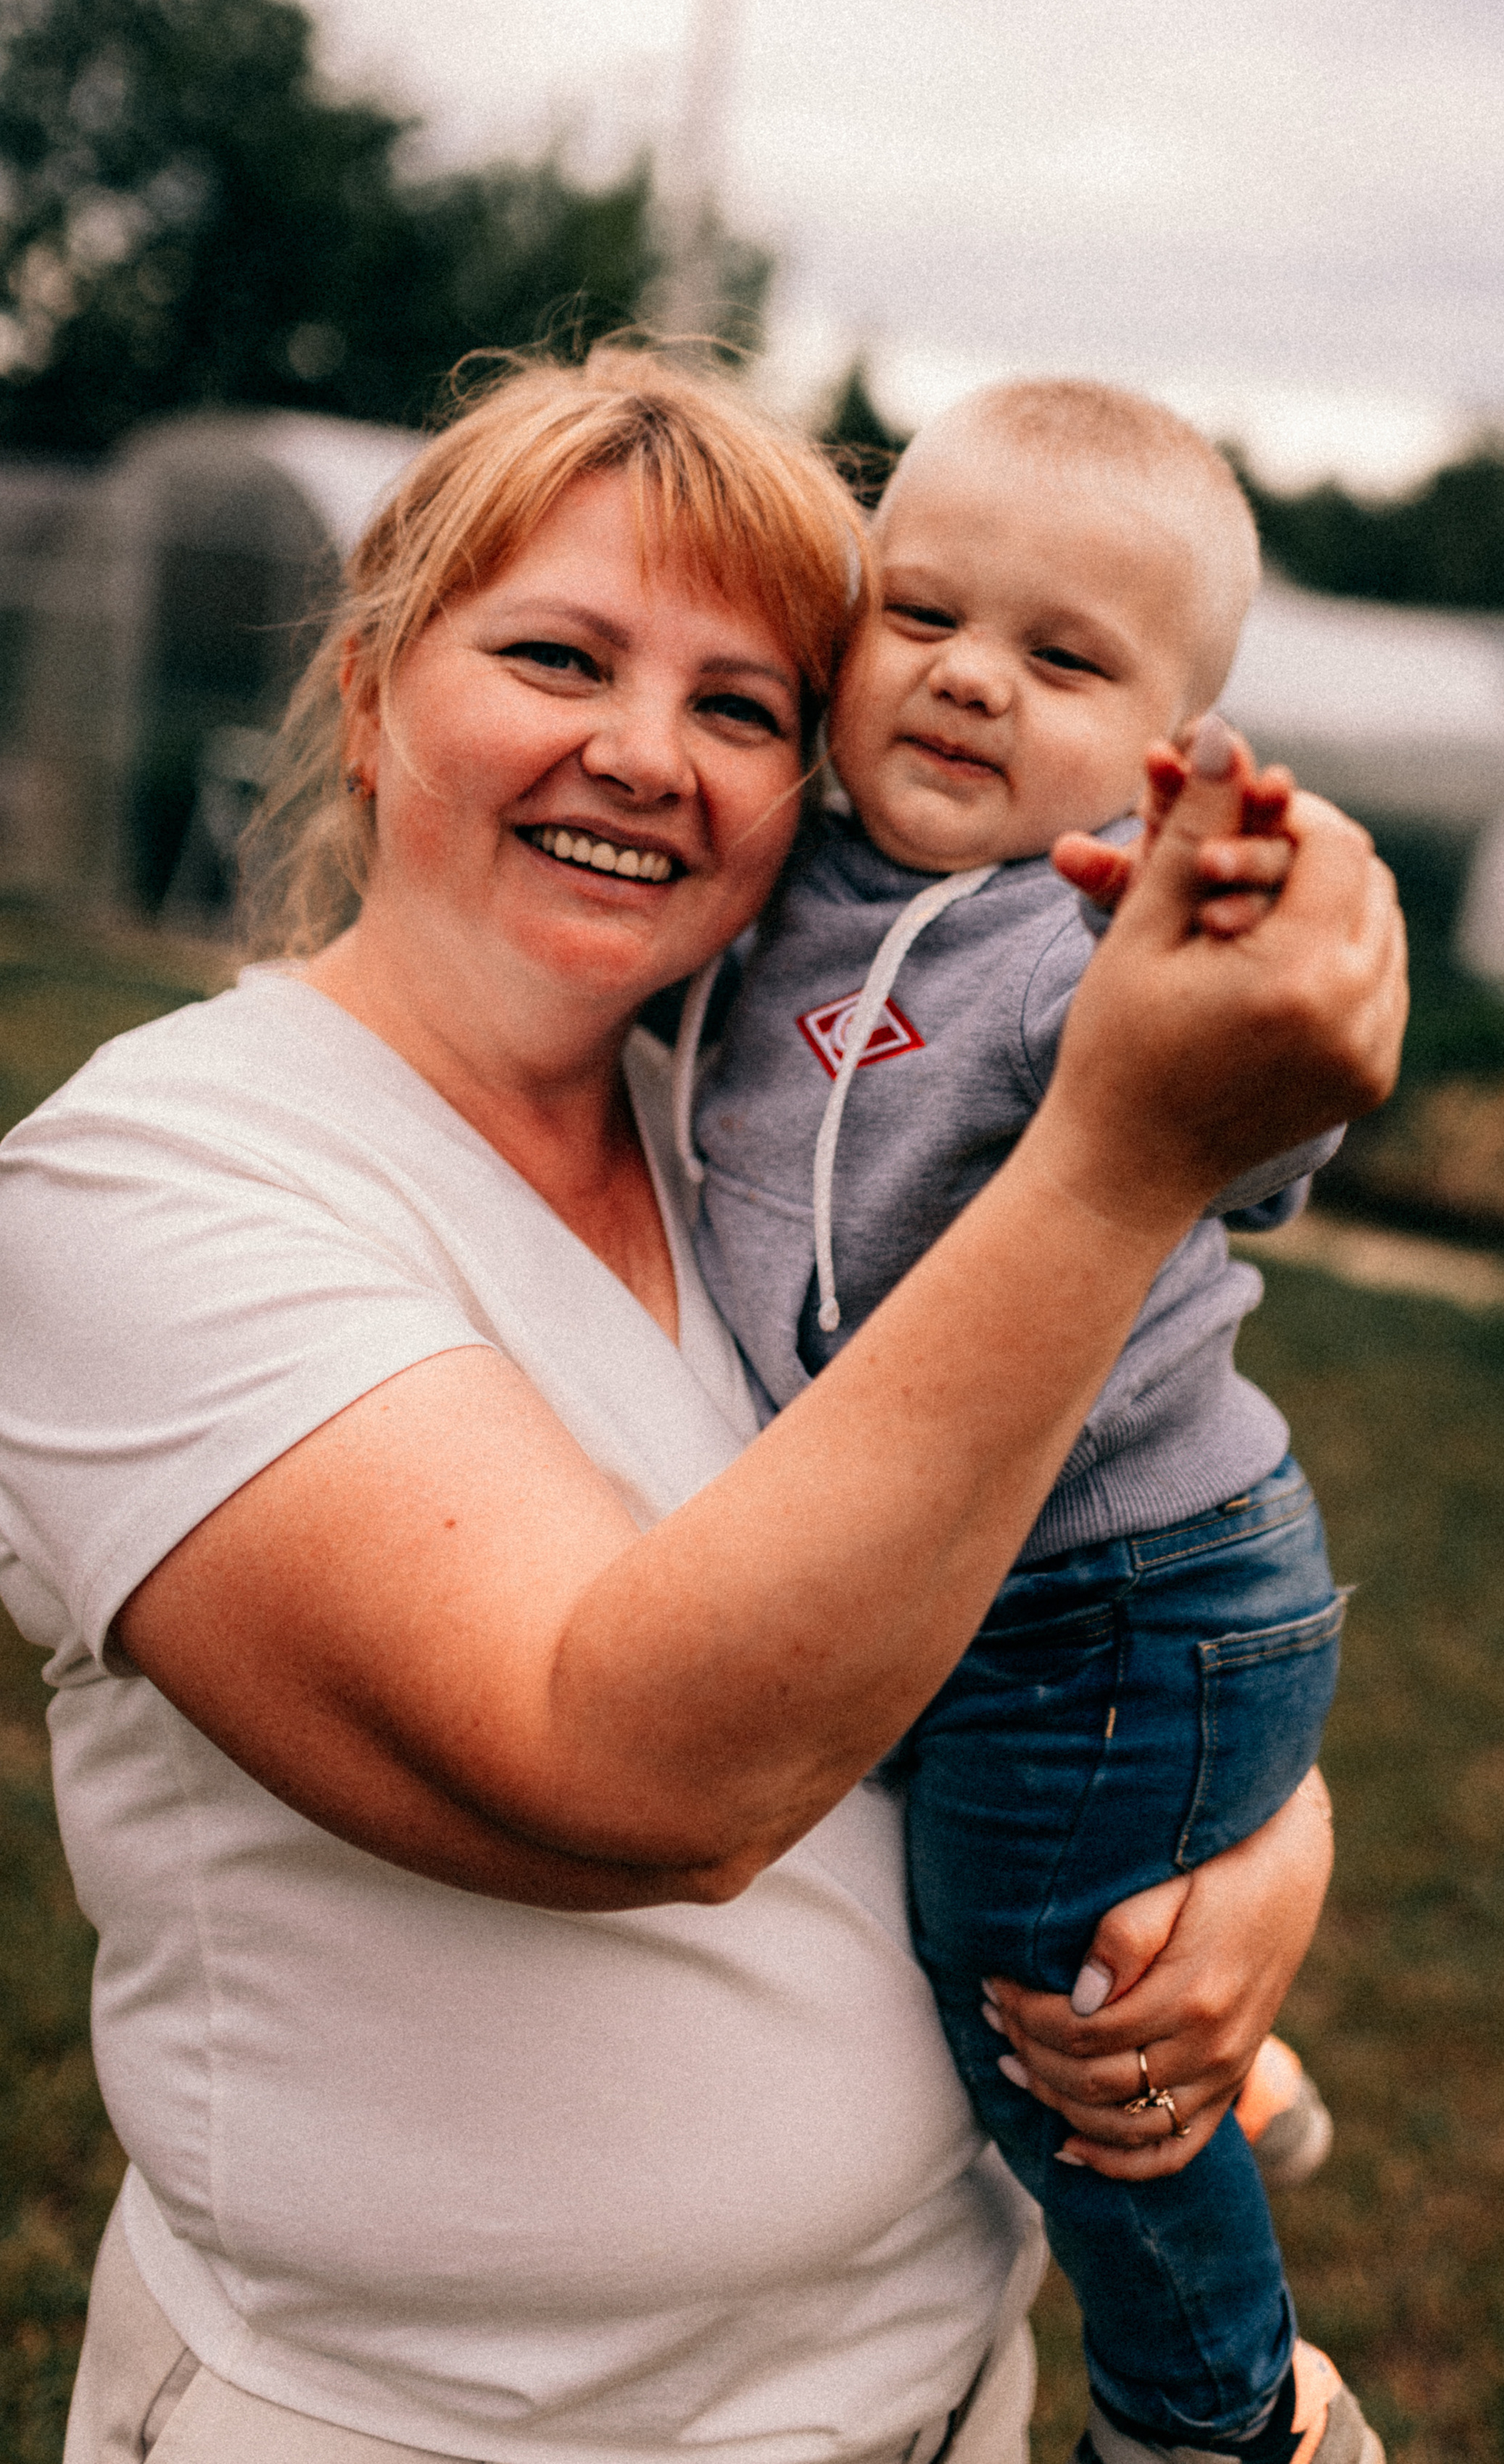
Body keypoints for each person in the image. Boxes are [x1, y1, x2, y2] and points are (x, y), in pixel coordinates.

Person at [0, 350, 1405, 2464]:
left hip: (928, 2388)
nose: (646, 754)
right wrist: (1121, 1155)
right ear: (375, 692)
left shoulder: (751, 1127)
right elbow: (638, 1771)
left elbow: (1034, 1548)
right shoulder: (157, 1177)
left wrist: (1257, 1832)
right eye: (558, 656)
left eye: (741, 705)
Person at [686, 381, 1369, 2464]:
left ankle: (1223, 2420)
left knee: (1033, 2021)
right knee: (1009, 1899)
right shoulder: (781, 888)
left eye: (1063, 657)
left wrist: (1225, 930)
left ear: (1165, 743)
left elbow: (1247, 1125)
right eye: (925, 616)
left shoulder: (1081, 937)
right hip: (977, 1578)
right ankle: (1235, 2064)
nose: (973, 675)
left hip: (1120, 1592)